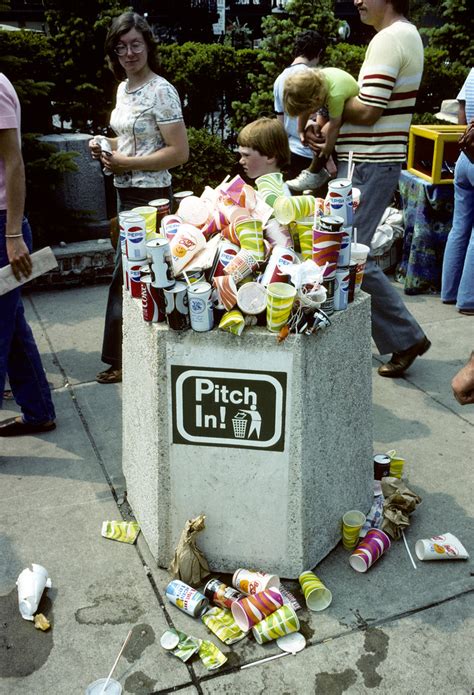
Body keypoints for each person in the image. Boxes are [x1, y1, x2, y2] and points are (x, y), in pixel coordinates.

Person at [306, 0, 430, 378]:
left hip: (369, 161)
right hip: (371, 160)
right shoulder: (398, 36)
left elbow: (369, 109)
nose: (356, 1)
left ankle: (404, 337)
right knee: (347, 252)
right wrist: (328, 119)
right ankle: (399, 337)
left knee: (348, 254)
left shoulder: (390, 39)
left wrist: (327, 111)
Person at [90, 12, 188, 384]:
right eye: (121, 47)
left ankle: (122, 357)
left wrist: (125, 161)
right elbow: (130, 140)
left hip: (149, 195)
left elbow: (179, 152)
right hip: (123, 190)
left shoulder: (161, 90)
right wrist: (105, 145)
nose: (129, 53)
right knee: (138, 274)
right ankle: (143, 349)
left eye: (135, 44)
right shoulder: (124, 88)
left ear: (148, 45)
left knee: (125, 275)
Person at [0, 73, 56, 436]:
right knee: (13, 327)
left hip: (1, 227)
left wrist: (13, 234)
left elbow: (14, 163)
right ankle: (38, 411)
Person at [283, 67, 359, 192]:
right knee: (316, 133)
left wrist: (328, 146)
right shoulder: (314, 88)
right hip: (326, 96)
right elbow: (304, 112)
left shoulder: (335, 96)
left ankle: (315, 172)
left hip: (348, 103)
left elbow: (334, 124)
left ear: (316, 101)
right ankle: (318, 172)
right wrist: (301, 131)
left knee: (323, 135)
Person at [440, 67, 474, 315]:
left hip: (465, 156)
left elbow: (461, 113)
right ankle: (469, 299)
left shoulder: (472, 71)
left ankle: (449, 292)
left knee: (460, 226)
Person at [273, 30, 326, 180]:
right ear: (319, 52)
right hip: (314, 153)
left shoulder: (279, 79)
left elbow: (280, 122)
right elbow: (321, 118)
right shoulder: (313, 77)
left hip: (292, 152)